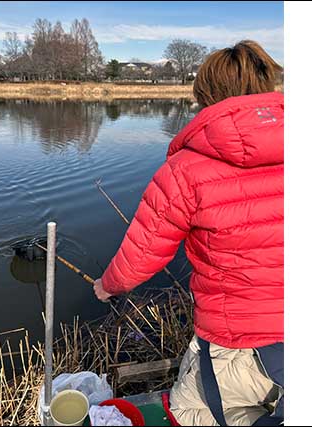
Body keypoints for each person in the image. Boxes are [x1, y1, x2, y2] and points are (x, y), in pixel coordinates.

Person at [92, 40, 284, 426]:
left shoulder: (186, 170)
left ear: (206, 96)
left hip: (237, 345)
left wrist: (108, 286)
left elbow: (141, 254)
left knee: (189, 411)